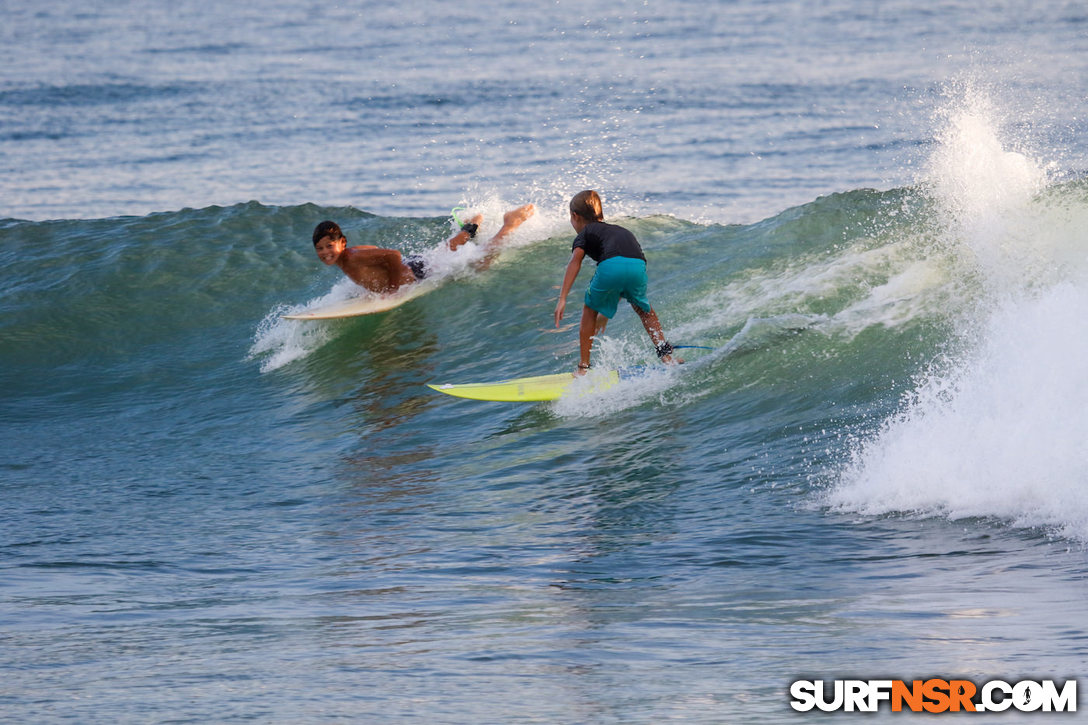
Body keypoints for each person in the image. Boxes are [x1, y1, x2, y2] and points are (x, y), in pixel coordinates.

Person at [554, 190, 677, 375]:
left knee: (589, 310)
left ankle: (583, 368)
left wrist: (562, 298)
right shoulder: (621, 230)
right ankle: (667, 356)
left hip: (611, 265)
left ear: (575, 216)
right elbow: (623, 274)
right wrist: (606, 313)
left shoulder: (585, 232)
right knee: (644, 310)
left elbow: (575, 262)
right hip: (638, 265)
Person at [312, 204, 535, 294]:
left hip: (419, 273)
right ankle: (472, 224)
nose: (325, 252)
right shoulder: (349, 257)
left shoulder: (352, 256)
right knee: (447, 249)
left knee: (480, 263)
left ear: (343, 243)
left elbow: (392, 255)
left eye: (329, 246)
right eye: (320, 249)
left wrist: (391, 288)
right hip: (416, 265)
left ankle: (510, 223)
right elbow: (377, 255)